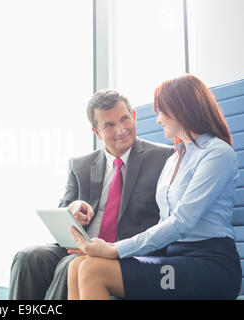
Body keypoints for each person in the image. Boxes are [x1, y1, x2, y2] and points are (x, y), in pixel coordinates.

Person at [68, 74, 242, 300]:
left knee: (93, 271)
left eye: (162, 111)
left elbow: (181, 222)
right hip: (173, 262)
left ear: (182, 110)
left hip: (209, 267)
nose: (158, 120)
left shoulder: (217, 154)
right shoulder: (174, 159)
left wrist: (115, 249)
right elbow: (164, 221)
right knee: (78, 266)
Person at [8, 90, 174, 300]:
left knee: (71, 266)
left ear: (133, 115)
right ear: (96, 132)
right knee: (28, 257)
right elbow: (62, 215)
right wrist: (72, 210)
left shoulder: (162, 158)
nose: (121, 129)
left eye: (124, 119)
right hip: (81, 245)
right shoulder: (81, 165)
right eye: (109, 125)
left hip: (123, 252)